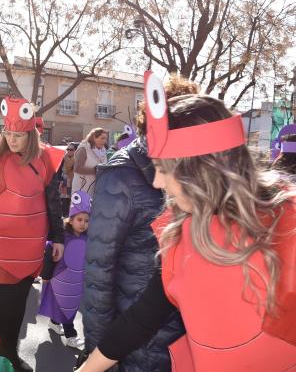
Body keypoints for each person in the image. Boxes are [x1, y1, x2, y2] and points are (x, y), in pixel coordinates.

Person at [77, 74, 296, 371]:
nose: (157, 181)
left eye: (164, 168)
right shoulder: (180, 237)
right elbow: (142, 318)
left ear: (200, 170)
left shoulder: (288, 226)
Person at [79, 75, 194, 372]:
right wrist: (99, 353)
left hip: (182, 334)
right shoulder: (121, 177)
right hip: (134, 340)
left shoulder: (192, 175)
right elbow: (98, 271)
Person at [0, 96, 65, 372]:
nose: (12, 139)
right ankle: (2, 355)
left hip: (30, 244)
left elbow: (52, 200)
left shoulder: (45, 158)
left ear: (30, 135)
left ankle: (5, 353)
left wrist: (58, 237)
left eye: (18, 135)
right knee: (7, 297)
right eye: (8, 133)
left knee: (17, 299)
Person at [39, 190, 91, 349]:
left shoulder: (87, 237)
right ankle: (71, 336)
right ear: (71, 219)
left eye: (86, 220)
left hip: (76, 281)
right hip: (60, 279)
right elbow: (49, 251)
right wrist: (46, 274)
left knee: (66, 306)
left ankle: (54, 323)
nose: (83, 224)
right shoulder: (62, 236)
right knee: (66, 307)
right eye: (79, 219)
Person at [71, 128, 108, 196]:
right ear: (94, 138)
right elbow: (77, 168)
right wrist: (97, 170)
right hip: (82, 187)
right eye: (102, 138)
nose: (105, 141)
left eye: (106, 139)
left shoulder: (103, 151)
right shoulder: (83, 148)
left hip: (96, 189)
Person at [60, 143, 76, 215]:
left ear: (75, 150)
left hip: (73, 180)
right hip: (64, 180)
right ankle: (64, 213)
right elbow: (59, 170)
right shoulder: (63, 158)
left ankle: (70, 213)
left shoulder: (77, 159)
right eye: (68, 149)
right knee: (64, 197)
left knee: (71, 197)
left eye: (71, 149)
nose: (69, 151)